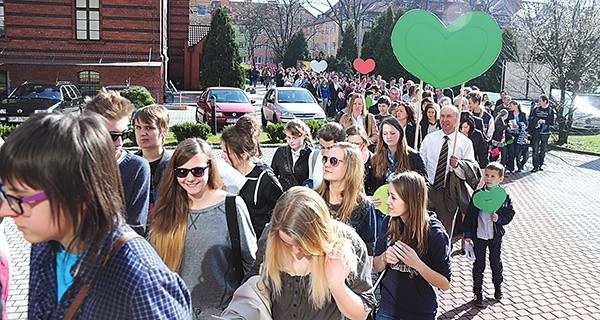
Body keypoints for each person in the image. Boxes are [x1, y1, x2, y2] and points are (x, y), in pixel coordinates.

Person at [0, 113, 191, 318]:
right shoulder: (44, 244)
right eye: (5, 194)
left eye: (20, 198)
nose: (6, 211)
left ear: (77, 194)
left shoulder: (142, 281)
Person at [148, 138, 257, 319]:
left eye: (197, 171)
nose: (190, 178)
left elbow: (251, 265)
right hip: (172, 313)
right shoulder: (166, 209)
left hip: (221, 313)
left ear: (210, 168)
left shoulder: (232, 206)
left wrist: (236, 311)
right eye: (182, 172)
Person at [249, 187, 377, 319]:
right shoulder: (271, 237)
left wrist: (337, 286)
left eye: (302, 245)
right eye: (287, 244)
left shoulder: (346, 243)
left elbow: (362, 313)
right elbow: (254, 278)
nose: (296, 252)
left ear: (318, 234)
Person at [372, 172, 451, 320]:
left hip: (420, 312)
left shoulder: (434, 233)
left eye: (393, 197)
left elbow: (445, 284)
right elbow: (377, 266)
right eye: (389, 194)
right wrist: (384, 257)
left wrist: (417, 264)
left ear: (411, 200)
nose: (387, 201)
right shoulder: (388, 222)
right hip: (387, 308)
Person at [85, 88, 150, 236]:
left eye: (124, 134)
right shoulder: (71, 164)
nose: (120, 142)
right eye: (112, 136)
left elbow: (136, 228)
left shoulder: (137, 167)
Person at [420, 105, 479, 239]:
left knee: (444, 230)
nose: (444, 120)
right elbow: (421, 162)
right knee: (423, 227)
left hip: (449, 192)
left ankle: (442, 256)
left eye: (448, 116)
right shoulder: (429, 139)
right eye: (442, 116)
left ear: (456, 119)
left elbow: (472, 171)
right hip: (428, 189)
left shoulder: (465, 143)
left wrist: (458, 165)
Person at [221, 116, 283, 238]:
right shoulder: (227, 173)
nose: (222, 156)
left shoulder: (266, 179)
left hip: (259, 247)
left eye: (226, 152)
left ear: (243, 155)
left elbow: (283, 214)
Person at [463, 162, 515, 307]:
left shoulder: (504, 197)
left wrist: (500, 219)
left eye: (493, 176)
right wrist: (467, 234)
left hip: (495, 238)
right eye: (487, 175)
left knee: (496, 264)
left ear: (501, 179)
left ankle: (498, 287)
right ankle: (478, 293)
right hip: (479, 236)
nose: (489, 178)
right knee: (478, 265)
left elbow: (510, 213)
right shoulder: (478, 195)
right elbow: (469, 216)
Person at [316, 142, 377, 256]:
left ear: (350, 167)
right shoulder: (314, 199)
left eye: (334, 161)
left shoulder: (364, 206)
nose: (327, 164)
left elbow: (367, 254)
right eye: (325, 159)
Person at [365, 117, 427, 201]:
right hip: (381, 206)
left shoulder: (414, 157)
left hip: (406, 204)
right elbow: (370, 185)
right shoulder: (375, 158)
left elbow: (424, 184)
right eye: (385, 133)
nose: (388, 137)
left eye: (392, 133)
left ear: (400, 133)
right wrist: (370, 197)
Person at [133, 105, 172, 215]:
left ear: (164, 130)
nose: (142, 133)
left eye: (149, 127)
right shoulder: (129, 165)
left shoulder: (173, 166)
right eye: (138, 127)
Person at [271, 119, 313, 191]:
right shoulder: (280, 152)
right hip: (284, 196)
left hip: (301, 196)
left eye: (294, 138)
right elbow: (272, 174)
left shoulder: (311, 154)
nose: (291, 141)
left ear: (304, 135)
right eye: (288, 137)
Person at [307, 122, 347, 189]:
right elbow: (311, 182)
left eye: (329, 148)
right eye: (322, 147)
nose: (325, 153)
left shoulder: (347, 160)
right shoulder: (314, 156)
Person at [529, 94, 554, 172]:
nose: (539, 102)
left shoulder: (550, 111)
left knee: (543, 150)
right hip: (536, 131)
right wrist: (537, 120)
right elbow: (531, 118)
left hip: (545, 133)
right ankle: (535, 166)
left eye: (540, 101)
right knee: (535, 150)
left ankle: (540, 164)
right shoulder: (536, 109)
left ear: (545, 101)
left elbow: (552, 122)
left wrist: (544, 121)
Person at [506, 101, 527, 172]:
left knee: (516, 152)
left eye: (511, 106)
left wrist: (519, 126)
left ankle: (516, 165)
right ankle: (510, 168)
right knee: (511, 151)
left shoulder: (522, 114)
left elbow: (525, 124)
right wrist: (508, 127)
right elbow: (505, 122)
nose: (510, 107)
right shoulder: (509, 114)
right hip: (511, 134)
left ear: (516, 105)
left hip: (519, 135)